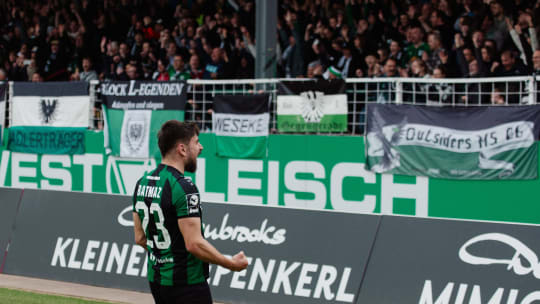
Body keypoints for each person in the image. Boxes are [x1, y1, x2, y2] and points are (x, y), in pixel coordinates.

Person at [132, 121, 248, 303]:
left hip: (157, 281)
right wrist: (231, 264)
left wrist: (166, 257)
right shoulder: (183, 186)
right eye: (196, 142)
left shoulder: (142, 183)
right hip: (186, 286)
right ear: (182, 149)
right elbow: (194, 244)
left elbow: (139, 238)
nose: (201, 147)